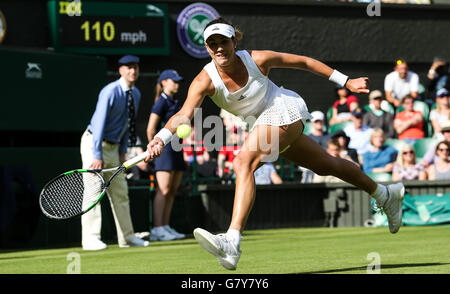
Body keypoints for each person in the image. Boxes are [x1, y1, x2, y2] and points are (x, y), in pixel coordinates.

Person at [144, 17, 405, 270]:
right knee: (327, 166)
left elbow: (303, 62)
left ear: (234, 41)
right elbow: (183, 116)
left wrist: (346, 81)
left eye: (224, 41)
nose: (219, 48)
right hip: (263, 125)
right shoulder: (204, 81)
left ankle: (232, 241)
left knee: (242, 162)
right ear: (207, 48)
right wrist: (161, 138)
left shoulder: (257, 59)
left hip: (284, 108)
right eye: (213, 44)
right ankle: (385, 194)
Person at [80, 55, 149, 250]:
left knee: (121, 192)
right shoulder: (109, 91)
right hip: (95, 144)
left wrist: (123, 151)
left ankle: (126, 238)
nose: (132, 71)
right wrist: (97, 154)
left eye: (135, 67)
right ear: (120, 70)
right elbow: (99, 122)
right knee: (93, 192)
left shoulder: (135, 94)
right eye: (128, 67)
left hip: (115, 148)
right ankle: (90, 239)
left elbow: (128, 123)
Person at [146, 69, 186, 241]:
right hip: (164, 151)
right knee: (163, 190)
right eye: (173, 81)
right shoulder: (160, 102)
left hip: (177, 149)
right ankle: (157, 228)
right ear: (163, 83)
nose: (176, 84)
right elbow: (150, 129)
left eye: (178, 81)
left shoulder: (175, 101)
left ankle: (165, 226)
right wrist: (155, 150)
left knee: (172, 190)